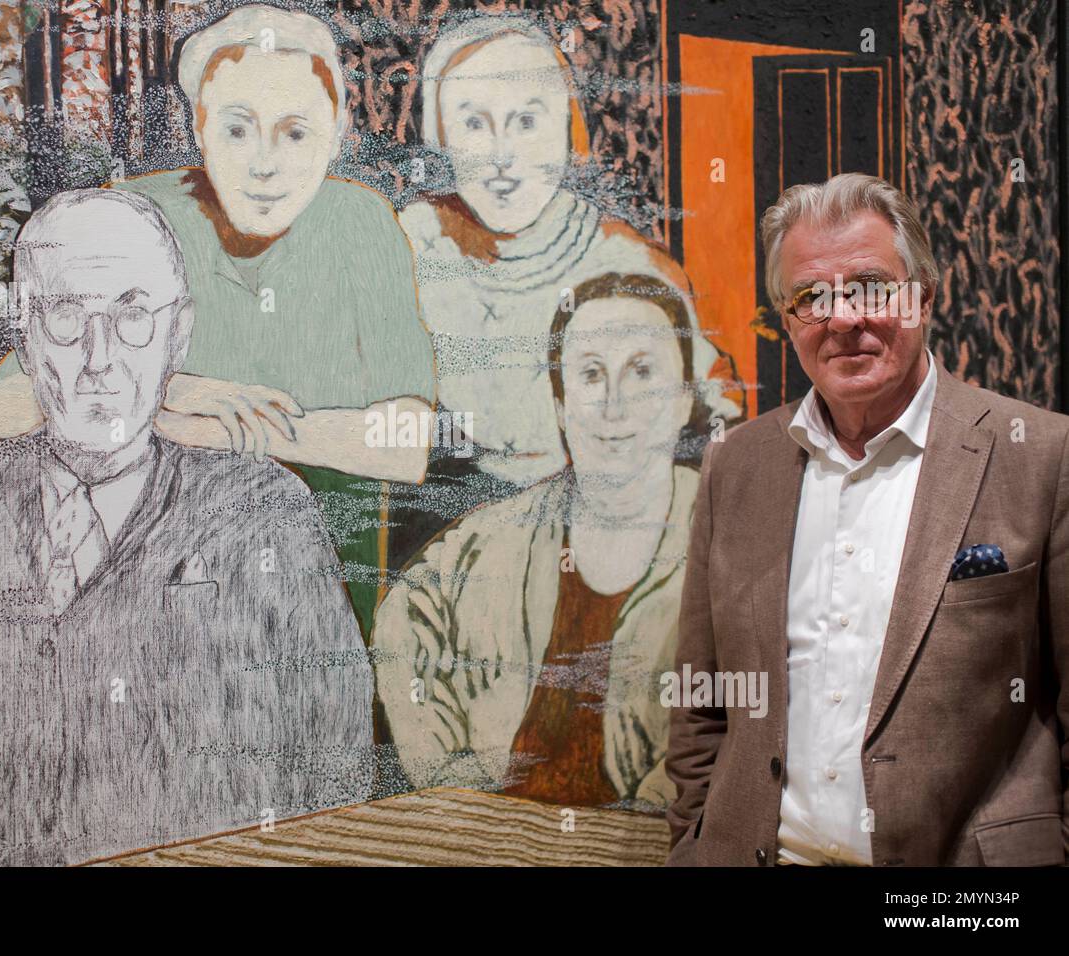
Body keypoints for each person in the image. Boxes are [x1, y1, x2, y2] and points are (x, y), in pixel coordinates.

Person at [0, 190, 374, 865]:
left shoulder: (267, 521)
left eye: (133, 315)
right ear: (22, 340)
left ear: (179, 335)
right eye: (64, 317)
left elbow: (339, 809)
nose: (99, 357)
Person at [0, 3, 436, 637]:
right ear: (199, 124)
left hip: (319, 600)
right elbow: (0, 409)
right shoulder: (138, 216)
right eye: (238, 130)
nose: (264, 165)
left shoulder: (362, 224)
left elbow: (407, 445)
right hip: (143, 596)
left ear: (334, 129)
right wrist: (183, 393)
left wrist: (211, 432)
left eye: (295, 133)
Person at [666, 173, 1069, 866]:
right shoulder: (736, 464)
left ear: (924, 297)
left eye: (872, 287)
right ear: (787, 321)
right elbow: (701, 697)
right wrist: (695, 842)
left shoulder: (1042, 457)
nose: (844, 317)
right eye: (811, 297)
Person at [390, 12, 740, 562]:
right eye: (475, 124)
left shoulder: (623, 264)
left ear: (566, 128)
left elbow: (716, 413)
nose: (503, 155)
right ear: (441, 134)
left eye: (527, 121)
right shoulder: (411, 243)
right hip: (446, 541)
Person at [373, 273, 712, 809]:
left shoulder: (726, 542)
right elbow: (403, 620)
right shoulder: (498, 536)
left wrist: (656, 807)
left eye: (642, 372)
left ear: (683, 399)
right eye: (592, 375)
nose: (614, 405)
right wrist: (451, 780)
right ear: (560, 406)